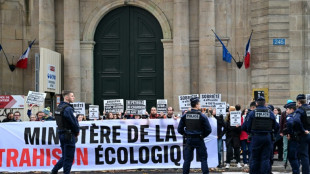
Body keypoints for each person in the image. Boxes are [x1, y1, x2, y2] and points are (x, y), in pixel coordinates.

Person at [242, 96, 279, 174]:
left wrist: (250, 132)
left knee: (255, 158)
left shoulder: (252, 113)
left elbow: (245, 126)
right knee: (266, 158)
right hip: (267, 137)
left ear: (256, 103)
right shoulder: (270, 113)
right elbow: (276, 126)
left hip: (256, 137)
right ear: (265, 103)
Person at [178, 97, 212, 174]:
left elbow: (179, 129)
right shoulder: (202, 116)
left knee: (187, 160)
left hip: (189, 139)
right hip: (199, 139)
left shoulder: (185, 116)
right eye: (199, 104)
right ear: (196, 105)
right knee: (203, 159)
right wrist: (202, 135)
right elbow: (209, 129)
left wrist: (186, 134)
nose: (200, 105)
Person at [51, 90, 80, 174]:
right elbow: (73, 122)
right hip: (69, 135)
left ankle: (54, 171)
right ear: (66, 97)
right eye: (72, 96)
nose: (73, 97)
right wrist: (77, 131)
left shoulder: (59, 107)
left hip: (61, 133)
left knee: (65, 156)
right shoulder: (68, 108)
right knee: (69, 157)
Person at [293, 94, 310, 174]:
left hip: (304, 135)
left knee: (304, 155)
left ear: (299, 102)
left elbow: (296, 120)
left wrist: (303, 130)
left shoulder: (300, 110)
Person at [284, 101, 300, 174]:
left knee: (292, 157)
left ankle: (296, 172)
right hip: (300, 138)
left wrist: (289, 133)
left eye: (287, 109)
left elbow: (290, 123)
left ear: (292, 109)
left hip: (294, 139)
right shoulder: (298, 115)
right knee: (297, 157)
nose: (286, 111)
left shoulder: (290, 116)